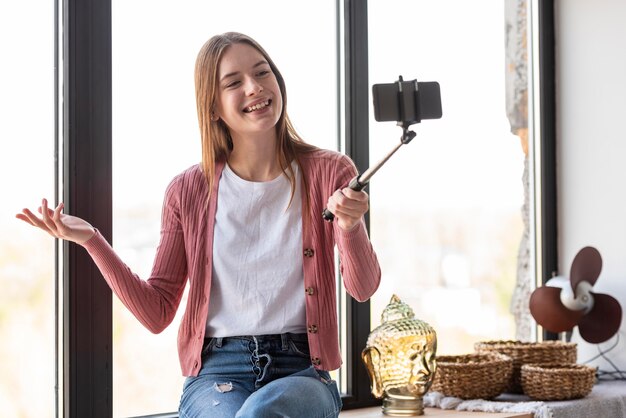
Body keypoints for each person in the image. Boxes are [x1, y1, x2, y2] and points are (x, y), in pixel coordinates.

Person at [17, 32, 381, 418]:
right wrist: (92, 240)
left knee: (258, 414)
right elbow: (157, 312)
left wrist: (350, 224)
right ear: (213, 107)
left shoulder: (330, 171)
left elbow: (363, 288)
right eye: (234, 82)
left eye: (262, 72)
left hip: (304, 372)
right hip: (217, 374)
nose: (255, 87)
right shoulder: (188, 191)